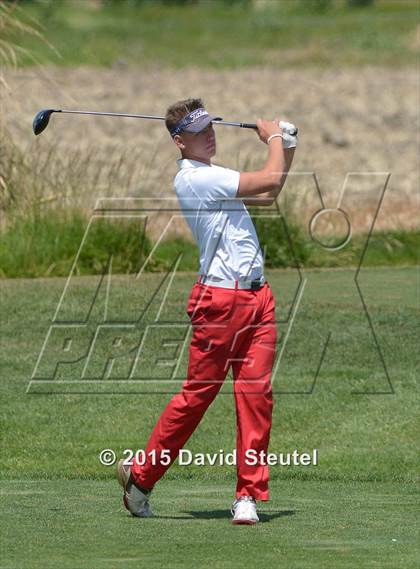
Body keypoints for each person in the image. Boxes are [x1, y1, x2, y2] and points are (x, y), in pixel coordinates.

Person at [117, 98, 297, 524]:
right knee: (197, 398)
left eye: (210, 126)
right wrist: (273, 136)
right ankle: (140, 478)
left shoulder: (214, 175)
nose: (210, 134)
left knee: (256, 397)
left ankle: (247, 496)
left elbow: (270, 193)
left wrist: (286, 145)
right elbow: (269, 177)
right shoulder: (197, 179)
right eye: (199, 132)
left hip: (259, 299)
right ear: (180, 142)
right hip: (220, 303)